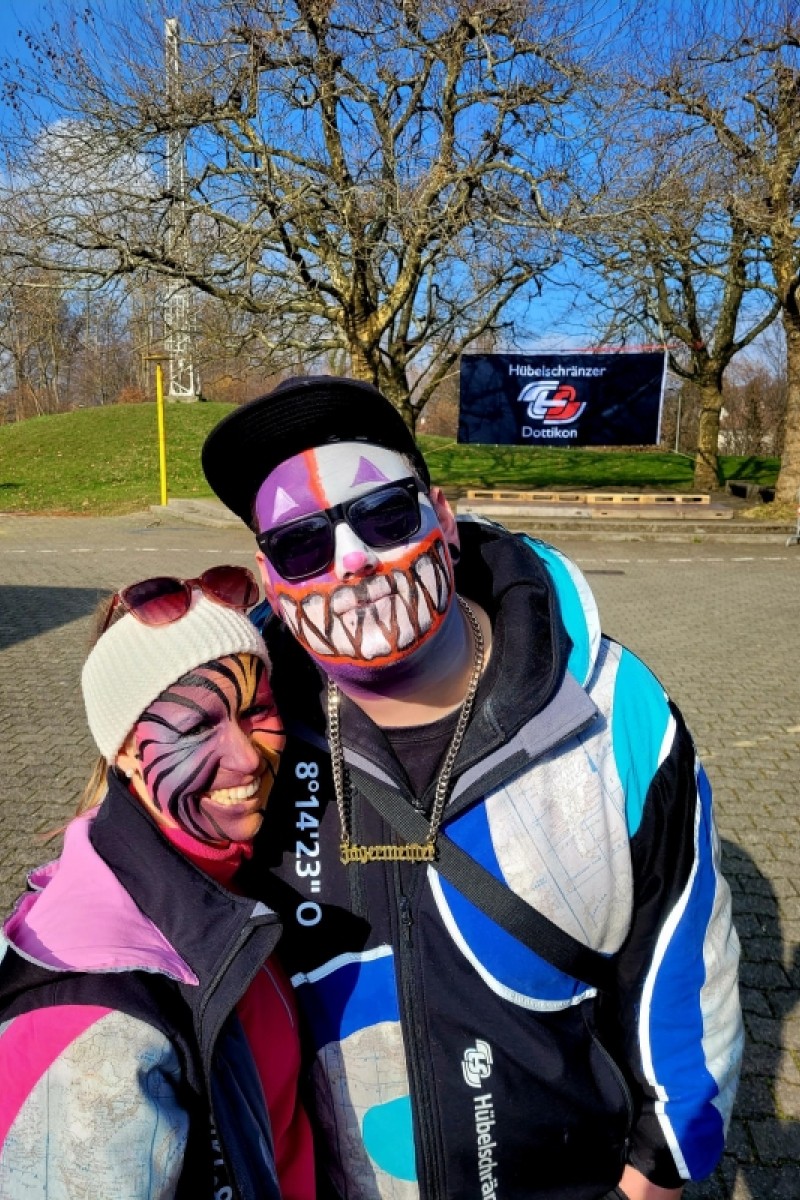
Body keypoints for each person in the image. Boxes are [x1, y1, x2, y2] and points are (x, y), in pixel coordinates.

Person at [200, 376, 743, 1200]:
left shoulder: (610, 706)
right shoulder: (244, 746)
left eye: (385, 515)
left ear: (444, 521)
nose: (352, 561)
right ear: (271, 580)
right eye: (302, 544)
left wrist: (658, 1172)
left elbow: (682, 960)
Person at [0, 566, 315, 1200]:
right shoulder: (92, 1016)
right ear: (122, 751)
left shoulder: (223, 875)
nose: (246, 757)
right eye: (196, 728)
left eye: (256, 710)